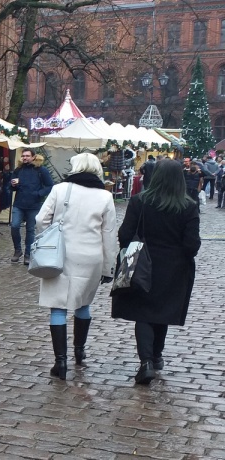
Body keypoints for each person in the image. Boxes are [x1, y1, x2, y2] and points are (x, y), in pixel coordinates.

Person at [111, 159, 200, 385]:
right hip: (174, 268)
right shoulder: (188, 206)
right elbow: (191, 245)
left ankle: (147, 362)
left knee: (143, 312)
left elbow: (124, 234)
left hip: (141, 263)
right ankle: (156, 355)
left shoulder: (140, 201)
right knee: (162, 310)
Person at [35, 152, 118, 380]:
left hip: (60, 254)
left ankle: (60, 362)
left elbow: (40, 219)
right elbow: (109, 235)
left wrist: (47, 237)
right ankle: (79, 351)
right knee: (83, 304)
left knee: (58, 307)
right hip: (91, 256)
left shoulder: (60, 190)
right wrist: (108, 267)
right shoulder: (104, 196)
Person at [8, 148, 54, 266]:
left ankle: (28, 254)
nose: (25, 158)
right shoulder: (18, 170)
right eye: (23, 156)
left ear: (34, 157)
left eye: (27, 156)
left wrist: (38, 194)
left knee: (30, 230)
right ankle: (18, 250)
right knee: (14, 226)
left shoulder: (41, 170)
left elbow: (49, 186)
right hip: (19, 203)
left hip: (34, 205)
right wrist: (13, 185)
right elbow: (11, 187)